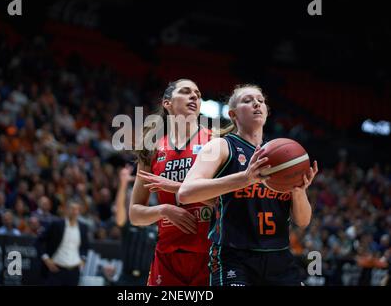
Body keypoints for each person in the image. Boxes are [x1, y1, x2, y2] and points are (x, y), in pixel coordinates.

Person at [178, 84, 318, 286]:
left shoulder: (283, 157)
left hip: (278, 257)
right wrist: (244, 178)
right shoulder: (220, 146)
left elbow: (303, 221)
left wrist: (298, 191)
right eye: (248, 100)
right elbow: (185, 193)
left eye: (261, 101)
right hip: (234, 256)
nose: (256, 104)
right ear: (233, 114)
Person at [129, 79, 212, 286]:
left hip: (210, 255)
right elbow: (135, 214)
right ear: (167, 103)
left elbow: (227, 201)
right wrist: (163, 210)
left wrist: (180, 189)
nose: (194, 96)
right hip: (167, 256)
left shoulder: (215, 142)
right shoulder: (152, 148)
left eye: (198, 94)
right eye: (186, 92)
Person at [36, 200, 89, 286]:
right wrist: (46, 259)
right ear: (66, 210)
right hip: (57, 269)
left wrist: (83, 258)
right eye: (72, 209)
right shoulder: (57, 225)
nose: (75, 212)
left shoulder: (83, 227)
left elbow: (85, 246)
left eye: (77, 209)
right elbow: (39, 241)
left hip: (74, 271)